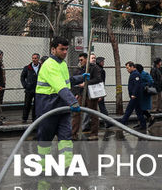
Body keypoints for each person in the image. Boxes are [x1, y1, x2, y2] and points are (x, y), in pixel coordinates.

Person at [35, 37, 87, 168]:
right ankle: (43, 168)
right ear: (53, 49)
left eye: (66, 49)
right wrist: (73, 102)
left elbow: (66, 81)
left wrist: (78, 78)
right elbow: (60, 87)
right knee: (45, 140)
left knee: (66, 138)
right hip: (48, 107)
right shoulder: (49, 65)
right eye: (61, 49)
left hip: (62, 107)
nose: (65, 52)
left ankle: (66, 167)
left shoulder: (62, 64)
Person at [71, 52, 103, 140]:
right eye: (79, 60)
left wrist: (86, 83)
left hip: (91, 94)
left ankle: (94, 133)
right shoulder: (79, 69)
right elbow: (75, 82)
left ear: (86, 59)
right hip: (81, 93)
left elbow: (98, 79)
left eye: (81, 60)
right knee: (76, 112)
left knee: (93, 114)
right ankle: (73, 134)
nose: (80, 62)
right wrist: (76, 94)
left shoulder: (94, 68)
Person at [121, 62, 148, 131]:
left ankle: (122, 123)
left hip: (135, 96)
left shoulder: (135, 74)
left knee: (129, 110)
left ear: (132, 67)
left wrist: (134, 94)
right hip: (136, 96)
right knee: (138, 111)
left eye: (128, 68)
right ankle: (143, 124)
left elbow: (136, 85)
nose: (127, 70)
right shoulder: (134, 74)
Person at [20, 53, 41, 122]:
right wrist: (25, 85)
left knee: (36, 104)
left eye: (35, 58)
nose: (34, 60)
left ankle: (34, 118)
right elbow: (22, 77)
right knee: (27, 104)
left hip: (38, 89)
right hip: (29, 89)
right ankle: (24, 118)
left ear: (38, 59)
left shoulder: (42, 67)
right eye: (33, 58)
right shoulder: (27, 68)